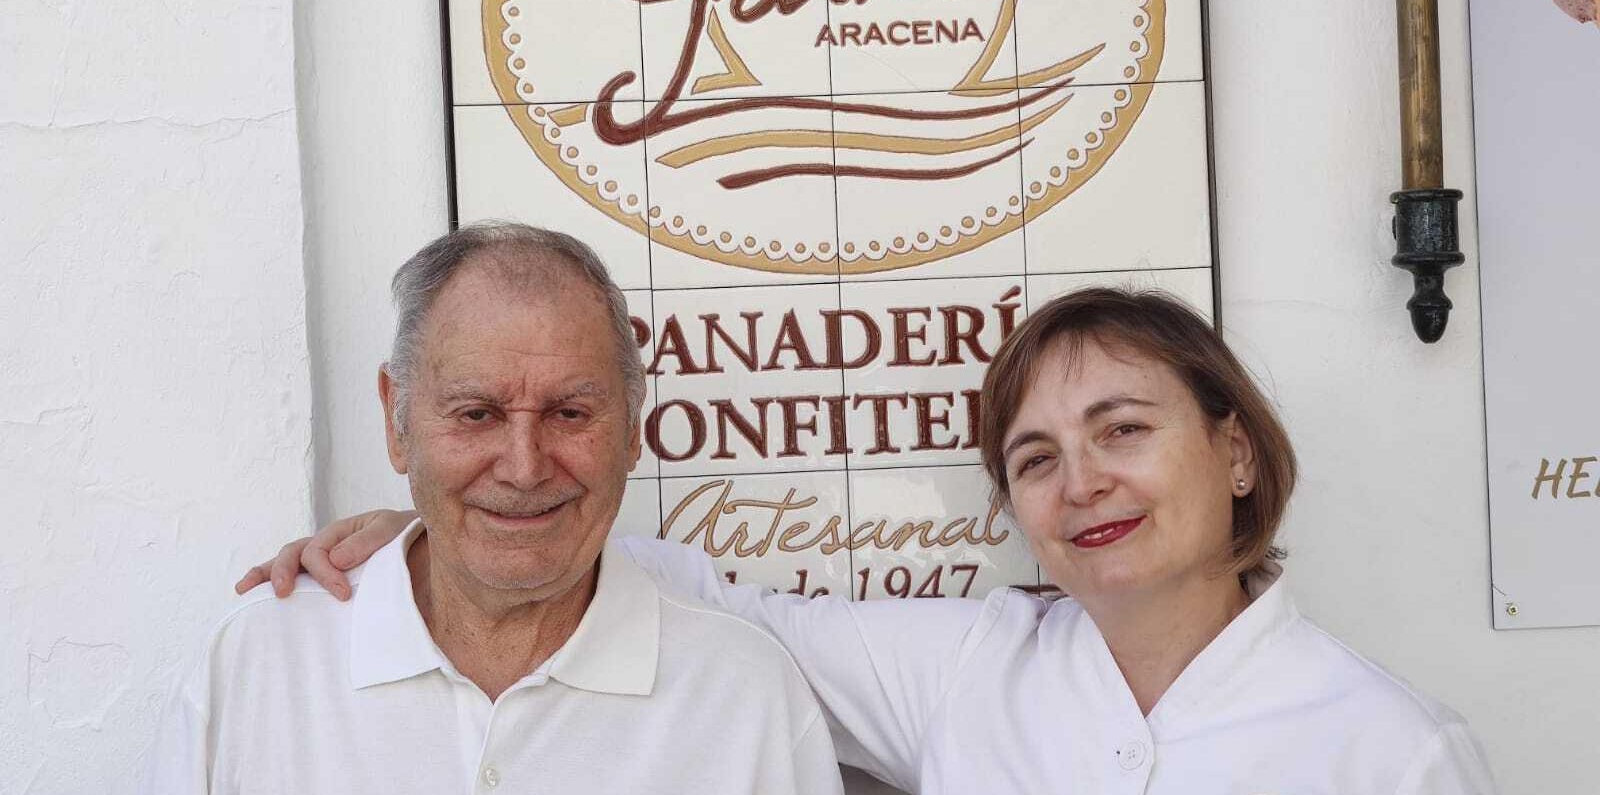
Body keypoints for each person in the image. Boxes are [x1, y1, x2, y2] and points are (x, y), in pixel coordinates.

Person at [243, 287, 1497, 795]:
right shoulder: (970, 663)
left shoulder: (1388, 750)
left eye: (1122, 430)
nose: (1083, 485)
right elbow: (706, 598)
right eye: (1035, 458)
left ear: (1233, 452)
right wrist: (439, 533)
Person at [145, 223, 843, 794]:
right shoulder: (257, 667)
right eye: (476, 413)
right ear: (398, 420)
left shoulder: (748, 697)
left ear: (632, 430)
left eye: (570, 412)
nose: (524, 466)